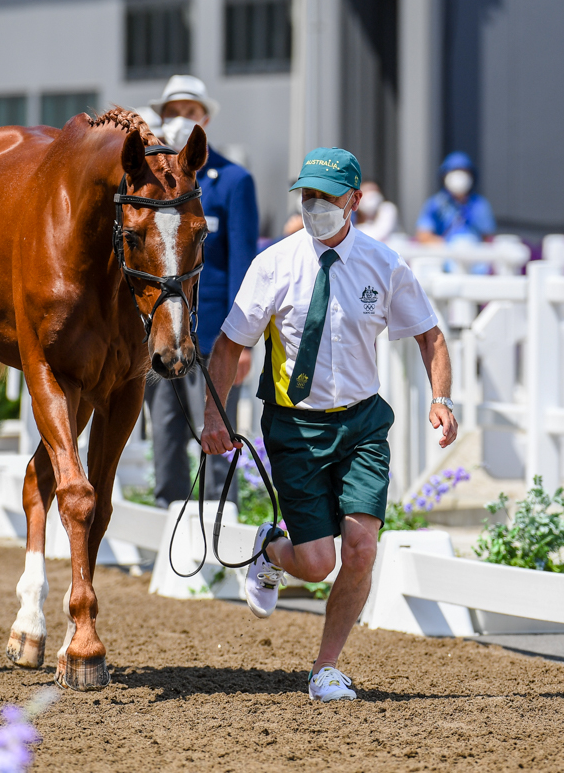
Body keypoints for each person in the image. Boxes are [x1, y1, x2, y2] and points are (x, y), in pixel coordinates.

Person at [200, 147, 457, 702]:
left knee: (362, 549)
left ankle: (326, 668)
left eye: (326, 197)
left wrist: (442, 399)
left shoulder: (384, 264)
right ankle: (271, 548)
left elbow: (430, 334)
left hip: (363, 423)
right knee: (316, 564)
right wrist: (213, 418)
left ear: (355, 202)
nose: (314, 206)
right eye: (307, 195)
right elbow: (227, 345)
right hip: (294, 427)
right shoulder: (274, 264)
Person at [143, 75, 259, 506]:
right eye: (172, 112)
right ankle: (167, 521)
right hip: (160, 331)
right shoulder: (147, 184)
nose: (179, 120)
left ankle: (218, 524)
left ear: (204, 119)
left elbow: (244, 266)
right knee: (166, 433)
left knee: (214, 433)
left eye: (189, 113)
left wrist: (242, 341)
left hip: (213, 335)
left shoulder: (232, 181)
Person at [415, 152, 496, 243]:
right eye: (454, 171)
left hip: (474, 255)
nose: (459, 176)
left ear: (471, 176)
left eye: (464, 171)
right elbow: (423, 235)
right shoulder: (435, 203)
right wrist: (447, 247)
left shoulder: (480, 204)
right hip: (444, 255)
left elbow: (488, 238)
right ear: (444, 176)